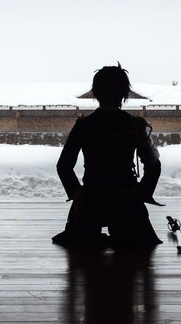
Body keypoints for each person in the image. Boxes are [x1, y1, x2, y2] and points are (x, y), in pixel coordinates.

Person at [52, 64, 162, 249]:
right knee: (136, 247)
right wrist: (141, 194)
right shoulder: (134, 125)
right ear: (124, 93)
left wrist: (77, 194)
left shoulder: (84, 125)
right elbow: (153, 165)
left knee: (82, 247)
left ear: (96, 92)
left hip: (90, 200)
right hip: (126, 201)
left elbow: (63, 166)